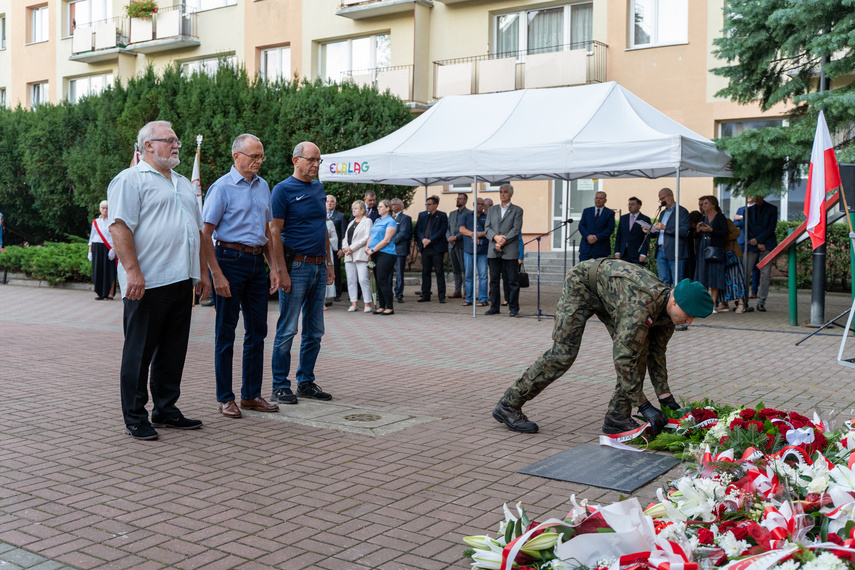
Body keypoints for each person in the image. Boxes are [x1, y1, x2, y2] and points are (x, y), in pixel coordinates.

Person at [491, 259, 713, 435]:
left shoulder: (668, 315)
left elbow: (656, 354)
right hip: (583, 285)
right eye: (689, 315)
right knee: (563, 354)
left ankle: (617, 416)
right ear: (675, 302)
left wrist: (666, 399)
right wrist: (644, 406)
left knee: (641, 351)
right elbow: (623, 357)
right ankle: (509, 404)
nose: (689, 322)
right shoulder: (640, 305)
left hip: (611, 293)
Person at [108, 120, 211, 440]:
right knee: (139, 352)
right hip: (148, 281)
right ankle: (135, 416)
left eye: (177, 139)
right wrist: (133, 271)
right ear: (148, 145)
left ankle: (166, 409)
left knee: (172, 350)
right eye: (170, 140)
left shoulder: (182, 183)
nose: (177, 144)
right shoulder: (130, 179)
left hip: (181, 279)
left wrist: (202, 272)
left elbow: (196, 231)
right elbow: (119, 227)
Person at [203, 134, 281, 419]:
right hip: (229, 261)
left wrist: (273, 267)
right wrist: (216, 274)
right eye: (253, 156)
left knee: (258, 330)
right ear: (236, 156)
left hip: (256, 262)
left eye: (261, 156)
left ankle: (251, 394)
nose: (259, 161)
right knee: (226, 332)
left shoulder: (263, 186)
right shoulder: (221, 188)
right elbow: (205, 234)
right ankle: (225, 397)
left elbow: (268, 230)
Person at [268, 142, 335, 405]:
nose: (316, 165)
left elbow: (324, 228)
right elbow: (274, 232)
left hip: (318, 266)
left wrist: (329, 264)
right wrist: (280, 271)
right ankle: (279, 385)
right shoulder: (282, 190)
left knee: (315, 330)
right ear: (295, 160)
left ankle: (305, 382)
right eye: (311, 160)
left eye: (319, 160)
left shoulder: (318, 188)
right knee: (287, 329)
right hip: (295, 267)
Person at [485, 184, 523, 317]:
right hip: (493, 250)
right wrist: (495, 237)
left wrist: (502, 240)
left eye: (505, 192)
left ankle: (513, 308)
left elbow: (516, 229)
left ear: (511, 194)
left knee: (512, 281)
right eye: (501, 192)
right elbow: (487, 228)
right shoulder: (492, 210)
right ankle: (494, 307)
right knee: (494, 280)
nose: (502, 194)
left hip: (509, 250)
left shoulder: (517, 210)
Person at [694, 195, 728, 311]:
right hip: (703, 249)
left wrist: (711, 230)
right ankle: (704, 304)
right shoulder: (703, 218)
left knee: (714, 276)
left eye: (706, 203)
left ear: (713, 204)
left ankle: (713, 304)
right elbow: (694, 236)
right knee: (703, 277)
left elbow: (725, 233)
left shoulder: (720, 217)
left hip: (715, 250)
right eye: (703, 204)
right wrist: (698, 231)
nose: (704, 206)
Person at [745, 195, 778, 312]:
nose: (756, 198)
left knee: (765, 275)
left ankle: (761, 302)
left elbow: (771, 228)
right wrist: (755, 241)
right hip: (752, 244)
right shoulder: (748, 210)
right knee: (746, 272)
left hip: (766, 245)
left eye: (759, 196)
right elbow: (746, 228)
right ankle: (744, 301)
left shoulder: (772, 209)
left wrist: (759, 240)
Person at [414, 195, 449, 303]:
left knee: (439, 271)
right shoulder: (422, 215)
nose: (427, 206)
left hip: (436, 248)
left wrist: (431, 239)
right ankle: (425, 294)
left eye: (429, 204)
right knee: (425, 272)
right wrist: (423, 239)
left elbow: (442, 230)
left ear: (435, 205)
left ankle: (441, 296)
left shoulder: (442, 215)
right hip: (425, 248)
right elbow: (418, 230)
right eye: (426, 204)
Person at [366, 199, 397, 315]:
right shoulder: (377, 220)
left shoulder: (391, 221)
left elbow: (387, 240)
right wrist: (367, 247)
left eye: (380, 207)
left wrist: (373, 249)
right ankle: (382, 305)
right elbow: (371, 235)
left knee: (382, 279)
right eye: (378, 207)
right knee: (377, 280)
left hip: (386, 253)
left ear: (387, 208)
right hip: (374, 253)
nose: (378, 209)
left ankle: (390, 306)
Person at [342, 200, 374, 313]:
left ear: (362, 210)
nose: (353, 210)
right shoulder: (351, 222)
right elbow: (345, 238)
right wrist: (345, 248)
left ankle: (367, 303)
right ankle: (353, 303)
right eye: (353, 208)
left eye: (356, 208)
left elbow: (366, 238)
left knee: (363, 279)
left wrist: (352, 247)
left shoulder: (367, 221)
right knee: (351, 280)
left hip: (360, 254)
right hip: (349, 255)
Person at [459, 196, 489, 307]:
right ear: (473, 204)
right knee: (468, 275)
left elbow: (490, 230)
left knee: (483, 275)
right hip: (469, 249)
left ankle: (483, 299)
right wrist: (473, 234)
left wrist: (479, 234)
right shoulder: (466, 216)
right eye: (478, 204)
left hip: (483, 250)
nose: (480, 206)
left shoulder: (487, 217)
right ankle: (469, 298)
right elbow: (461, 229)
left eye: (482, 204)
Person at [88, 200, 117, 300]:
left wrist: (113, 249)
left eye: (107, 208)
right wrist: (90, 251)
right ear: (100, 209)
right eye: (103, 208)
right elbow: (91, 238)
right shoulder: (96, 222)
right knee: (98, 270)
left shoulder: (113, 222)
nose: (105, 210)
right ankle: (100, 292)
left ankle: (110, 293)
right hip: (97, 247)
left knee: (110, 270)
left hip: (108, 248)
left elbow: (116, 237)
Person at [446, 193, 471, 299]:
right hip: (451, 245)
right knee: (455, 269)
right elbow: (447, 228)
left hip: (462, 244)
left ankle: (466, 291)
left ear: (465, 200)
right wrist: (449, 237)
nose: (458, 201)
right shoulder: (452, 214)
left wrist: (456, 237)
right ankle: (457, 291)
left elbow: (468, 229)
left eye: (460, 199)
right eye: (457, 199)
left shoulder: (469, 213)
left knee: (464, 269)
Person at [734, 197, 760, 298]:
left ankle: (753, 291)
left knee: (754, 268)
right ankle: (741, 291)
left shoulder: (757, 209)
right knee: (740, 266)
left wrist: (741, 217)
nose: (749, 196)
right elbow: (735, 223)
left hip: (753, 241)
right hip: (741, 241)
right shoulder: (741, 209)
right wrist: (745, 219)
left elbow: (754, 224)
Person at [578, 191, 615, 261]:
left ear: (605, 200)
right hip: (586, 248)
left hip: (601, 248)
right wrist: (587, 236)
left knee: (599, 271)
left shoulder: (609, 213)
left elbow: (610, 229)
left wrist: (596, 237)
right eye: (596, 198)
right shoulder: (587, 211)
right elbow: (581, 226)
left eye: (601, 198)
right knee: (583, 270)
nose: (598, 200)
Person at [613, 196, 650, 265]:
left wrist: (643, 253)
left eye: (632, 204)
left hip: (637, 254)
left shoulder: (645, 219)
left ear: (639, 206)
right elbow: (619, 236)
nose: (630, 206)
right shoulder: (623, 218)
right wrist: (617, 251)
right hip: (623, 253)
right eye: (629, 204)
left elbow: (646, 238)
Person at [390, 198, 412, 303]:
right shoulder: (388, 218)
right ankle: (388, 293)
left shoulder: (405, 218)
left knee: (399, 273)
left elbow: (403, 233)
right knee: (388, 273)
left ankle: (398, 294)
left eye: (393, 204)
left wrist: (390, 241)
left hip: (399, 249)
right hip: (388, 250)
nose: (391, 206)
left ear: (400, 206)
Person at [327, 195, 347, 302]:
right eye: (328, 201)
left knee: (336, 271)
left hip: (335, 249)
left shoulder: (341, 216)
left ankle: (337, 293)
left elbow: (343, 233)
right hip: (325, 249)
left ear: (335, 204)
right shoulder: (320, 215)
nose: (329, 203)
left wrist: (341, 249)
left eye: (332, 202)